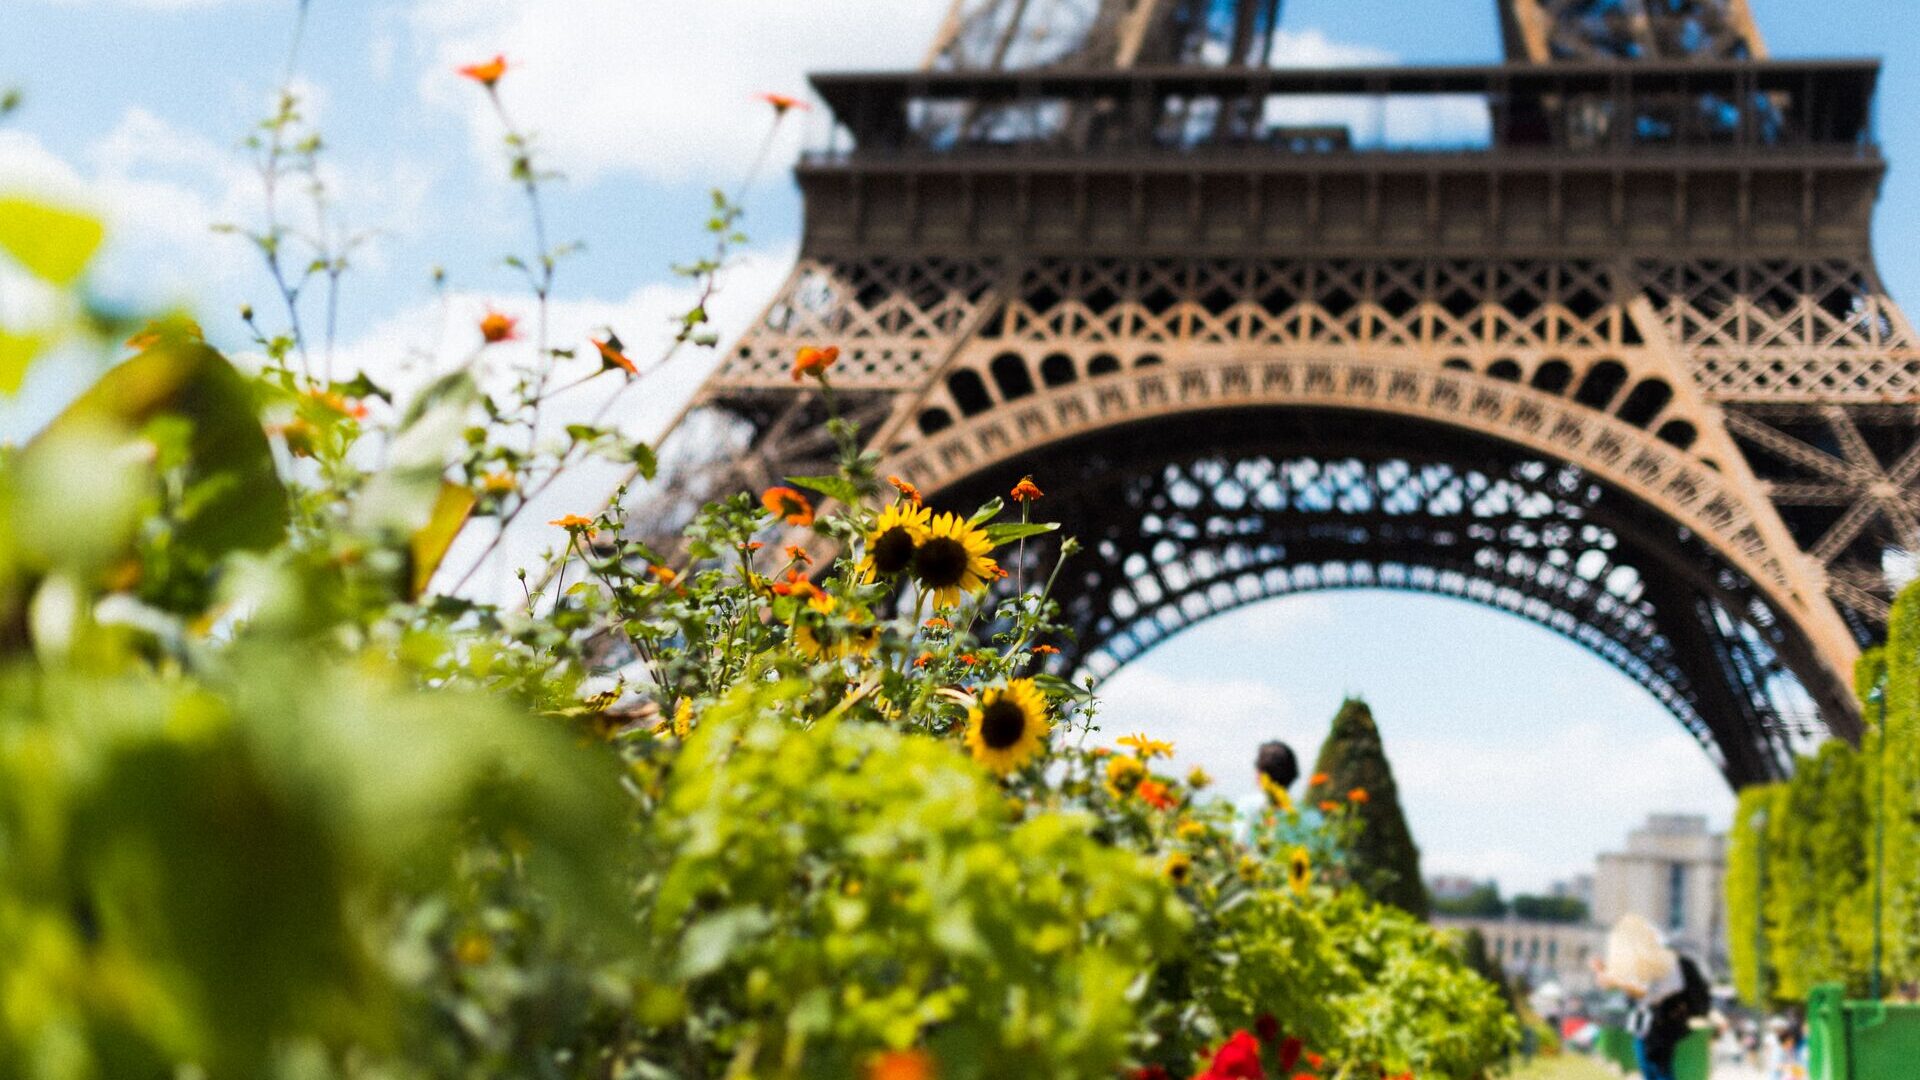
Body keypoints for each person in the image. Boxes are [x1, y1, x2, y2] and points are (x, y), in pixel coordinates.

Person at [1590, 915, 1709, 1080]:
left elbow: (1643, 992)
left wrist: (1612, 978)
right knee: (1649, 1067)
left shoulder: (1662, 963)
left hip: (1661, 1022)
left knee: (1658, 1068)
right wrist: (1605, 973)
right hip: (1648, 1021)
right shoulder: (1653, 961)